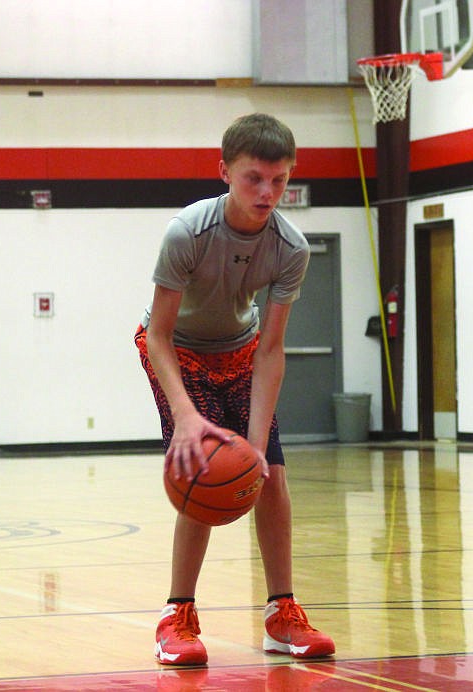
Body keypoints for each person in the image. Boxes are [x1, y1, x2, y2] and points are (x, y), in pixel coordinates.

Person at [134, 113, 335, 666]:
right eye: (254, 178)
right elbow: (159, 335)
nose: (268, 192)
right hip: (181, 352)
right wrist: (186, 418)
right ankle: (176, 616)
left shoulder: (291, 248)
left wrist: (254, 443)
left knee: (270, 476)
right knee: (203, 468)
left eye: (280, 179)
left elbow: (271, 349)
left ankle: (281, 613)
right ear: (224, 171)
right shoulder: (188, 233)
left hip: (243, 351)